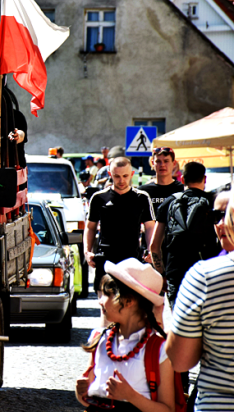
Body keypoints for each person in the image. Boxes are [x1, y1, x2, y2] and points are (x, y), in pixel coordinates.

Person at [75, 258, 175, 412]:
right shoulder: (99, 337)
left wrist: (131, 396)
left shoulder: (158, 349)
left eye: (107, 295)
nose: (100, 302)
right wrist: (81, 391)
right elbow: (87, 399)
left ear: (128, 301)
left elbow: (168, 409)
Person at [167, 195, 234, 411]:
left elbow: (179, 360)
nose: (221, 223)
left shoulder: (205, 277)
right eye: (215, 216)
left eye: (227, 215)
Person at [85, 157, 155, 324]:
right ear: (110, 174)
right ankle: (104, 347)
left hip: (132, 261)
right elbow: (90, 226)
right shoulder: (98, 198)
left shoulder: (142, 197)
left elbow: (150, 227)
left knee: (130, 312)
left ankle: (127, 348)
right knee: (106, 314)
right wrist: (87, 251)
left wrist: (152, 251)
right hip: (105, 260)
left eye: (125, 176)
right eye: (117, 176)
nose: (121, 180)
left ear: (131, 174)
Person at [150, 162, 217, 308]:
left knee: (179, 323)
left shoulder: (170, 201)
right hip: (207, 271)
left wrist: (161, 274)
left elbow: (154, 245)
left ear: (182, 179)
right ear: (204, 179)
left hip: (176, 270)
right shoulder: (214, 202)